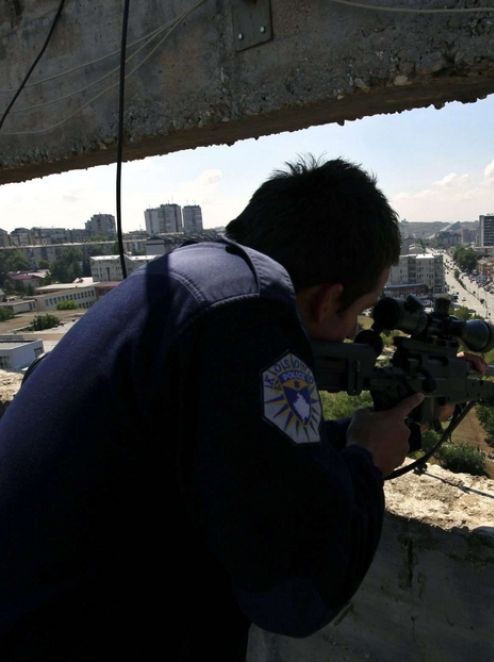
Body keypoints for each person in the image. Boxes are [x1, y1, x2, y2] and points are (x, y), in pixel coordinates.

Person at [0, 157, 421, 659]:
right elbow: (294, 592)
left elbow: (236, 452)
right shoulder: (251, 308)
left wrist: (350, 434)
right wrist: (365, 463)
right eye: (357, 312)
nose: (354, 332)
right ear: (326, 299)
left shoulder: (189, 277)